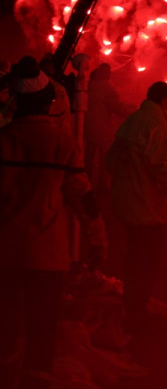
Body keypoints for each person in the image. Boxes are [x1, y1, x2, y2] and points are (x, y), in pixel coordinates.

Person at [0, 65, 106, 389]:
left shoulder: (3, 141)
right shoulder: (62, 143)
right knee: (41, 329)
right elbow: (82, 195)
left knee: (4, 328)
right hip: (47, 255)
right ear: (49, 103)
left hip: (5, 252)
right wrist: (98, 237)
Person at [105, 81, 167, 334]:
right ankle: (136, 316)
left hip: (127, 204)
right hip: (148, 209)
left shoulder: (132, 123)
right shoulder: (160, 132)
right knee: (146, 263)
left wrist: (129, 182)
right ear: (165, 103)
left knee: (133, 259)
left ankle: (133, 309)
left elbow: (111, 161)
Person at [84, 63, 133, 192]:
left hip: (88, 126)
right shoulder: (106, 87)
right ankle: (103, 185)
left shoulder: (88, 86)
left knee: (88, 157)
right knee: (105, 157)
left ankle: (86, 183)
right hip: (102, 128)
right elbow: (116, 106)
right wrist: (130, 113)